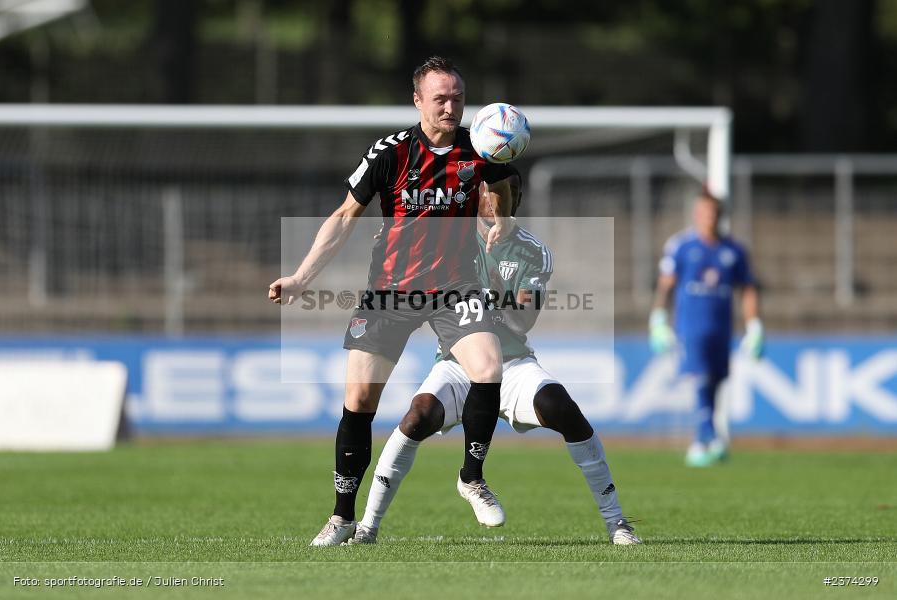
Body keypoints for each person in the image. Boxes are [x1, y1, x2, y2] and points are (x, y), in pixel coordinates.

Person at [269, 56, 516, 546]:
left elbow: (503, 187)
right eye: (440, 98)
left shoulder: (482, 146)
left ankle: (471, 477)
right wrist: (300, 278)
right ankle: (342, 516)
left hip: (456, 287)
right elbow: (345, 216)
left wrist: (502, 220)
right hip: (390, 290)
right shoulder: (391, 152)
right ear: (417, 100)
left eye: (458, 98)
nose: (451, 107)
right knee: (360, 400)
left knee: (488, 369)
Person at [348, 170, 641, 545]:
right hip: (457, 364)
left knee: (563, 408)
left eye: (506, 191)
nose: (495, 198)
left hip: (512, 364)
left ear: (516, 197)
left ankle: (617, 523)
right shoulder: (449, 238)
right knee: (417, 416)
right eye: (487, 190)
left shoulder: (531, 251)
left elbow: (523, 320)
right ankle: (368, 527)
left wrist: (496, 289)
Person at [649, 191, 763, 467]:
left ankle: (701, 442)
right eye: (703, 212)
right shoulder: (681, 246)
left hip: (721, 328)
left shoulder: (734, 250)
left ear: (720, 215)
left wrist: (754, 326)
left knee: (714, 381)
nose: (708, 217)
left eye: (712, 212)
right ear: (695, 215)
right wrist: (658, 318)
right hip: (690, 327)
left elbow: (747, 289)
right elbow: (666, 284)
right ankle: (710, 436)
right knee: (700, 377)